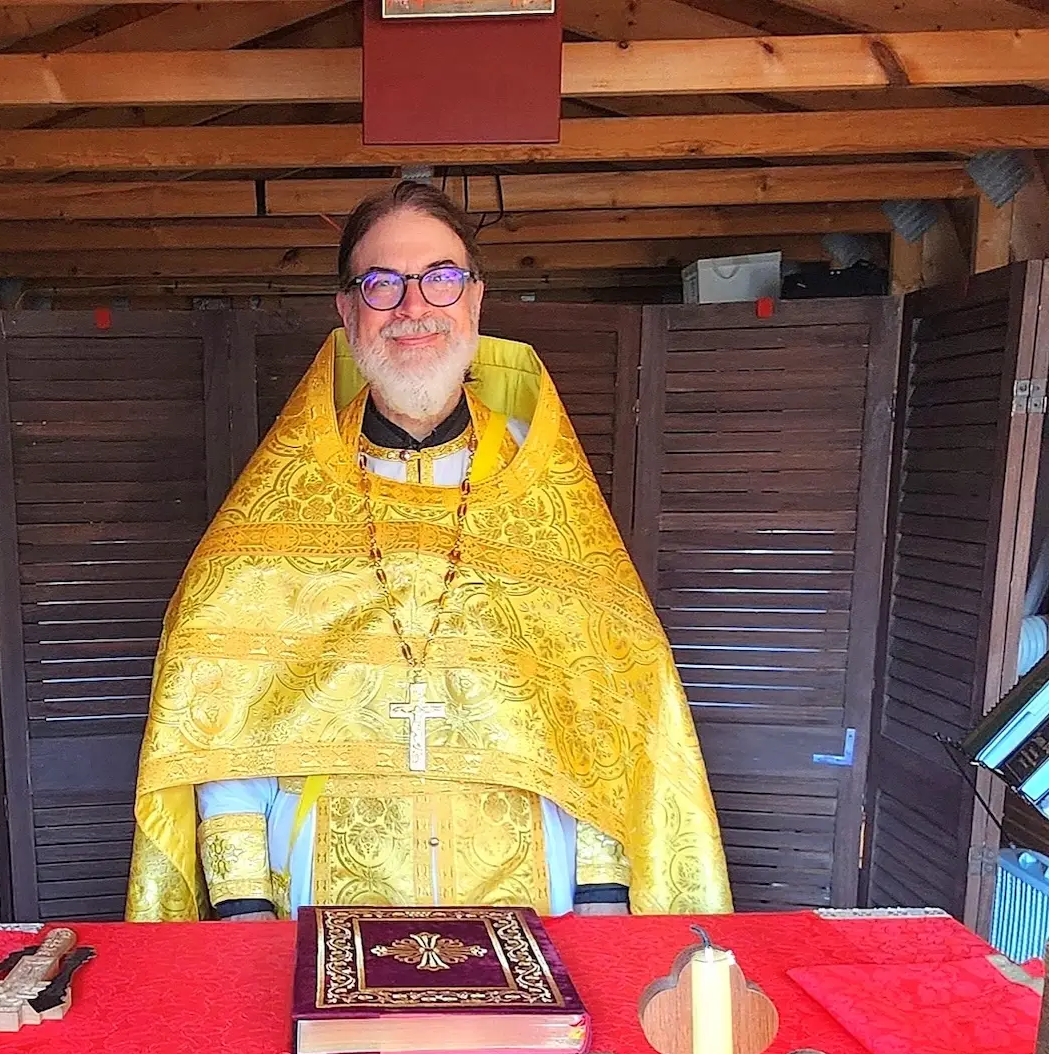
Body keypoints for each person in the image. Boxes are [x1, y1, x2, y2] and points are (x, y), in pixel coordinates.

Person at [126, 181, 731, 922]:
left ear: (474, 299)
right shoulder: (281, 502)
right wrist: (245, 913)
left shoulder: (543, 494)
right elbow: (223, 734)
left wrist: (602, 906)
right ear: (348, 312)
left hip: (530, 886)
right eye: (382, 283)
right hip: (322, 886)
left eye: (440, 278)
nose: (414, 306)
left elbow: (603, 716)